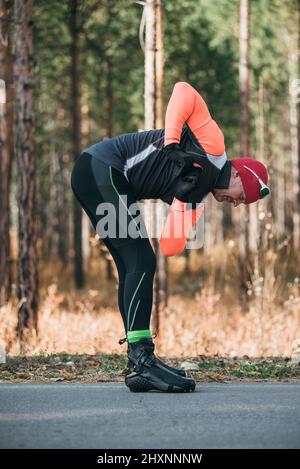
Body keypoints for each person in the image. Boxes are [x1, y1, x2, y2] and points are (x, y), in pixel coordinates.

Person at [70, 81, 270, 393]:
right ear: (236, 175)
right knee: (139, 258)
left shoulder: (197, 196)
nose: (235, 204)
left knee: (133, 263)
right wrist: (173, 144)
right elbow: (183, 91)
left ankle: (139, 360)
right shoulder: (214, 147)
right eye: (240, 197)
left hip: (98, 175)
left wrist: (183, 200)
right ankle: (141, 360)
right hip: (102, 167)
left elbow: (171, 247)